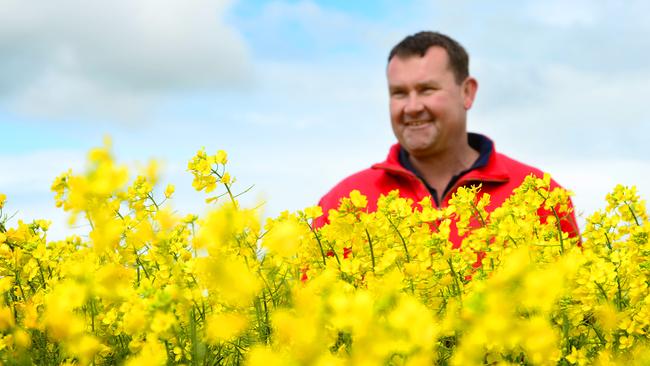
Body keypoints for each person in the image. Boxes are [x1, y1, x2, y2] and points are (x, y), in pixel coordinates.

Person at [315, 31, 578, 244]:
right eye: (399, 93)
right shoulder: (342, 203)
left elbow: (577, 306)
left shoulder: (541, 195)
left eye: (426, 89)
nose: (412, 106)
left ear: (467, 92)